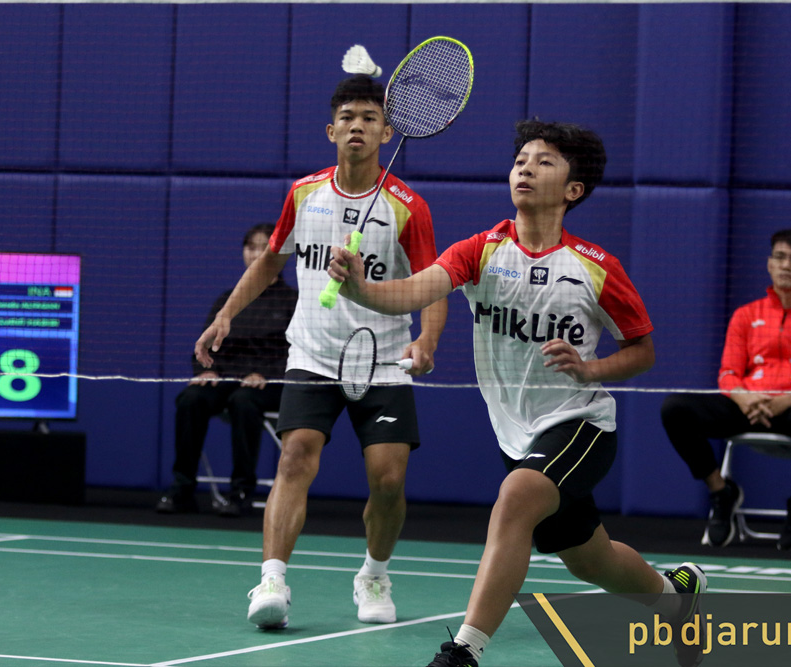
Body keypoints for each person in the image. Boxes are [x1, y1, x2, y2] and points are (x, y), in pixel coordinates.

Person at [327, 119, 706, 667]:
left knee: (515, 497)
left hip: (581, 424)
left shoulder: (596, 268)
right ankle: (674, 597)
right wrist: (361, 287)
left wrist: (591, 369)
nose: (525, 169)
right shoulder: (480, 251)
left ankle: (464, 651)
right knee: (590, 559)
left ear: (573, 189)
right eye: (520, 160)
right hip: (517, 433)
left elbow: (642, 350)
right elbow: (411, 292)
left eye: (543, 162)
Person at [195, 74, 447, 629]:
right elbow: (271, 260)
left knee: (388, 479)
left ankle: (374, 573)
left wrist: (426, 340)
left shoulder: (408, 207)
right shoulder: (304, 193)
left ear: (386, 132)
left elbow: (433, 282)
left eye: (370, 118)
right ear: (331, 131)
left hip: (383, 359)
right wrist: (226, 314)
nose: (358, 126)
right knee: (294, 457)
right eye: (347, 118)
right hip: (312, 354)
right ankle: (272, 580)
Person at [661, 228, 791, 551]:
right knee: (675, 408)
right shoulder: (746, 315)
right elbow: (728, 373)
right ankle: (721, 491)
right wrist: (744, 398)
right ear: (769, 263)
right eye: (780, 257)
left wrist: (786, 400)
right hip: (747, 407)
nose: (786, 265)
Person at [157, 223, 297, 518]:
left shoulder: (292, 301)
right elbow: (207, 341)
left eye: (263, 247)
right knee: (190, 399)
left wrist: (266, 375)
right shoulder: (229, 300)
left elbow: (297, 351)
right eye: (250, 247)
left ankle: (241, 492)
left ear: (279, 253)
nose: (255, 254)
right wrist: (205, 370)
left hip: (270, 383)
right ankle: (182, 489)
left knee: (243, 402)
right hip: (225, 378)